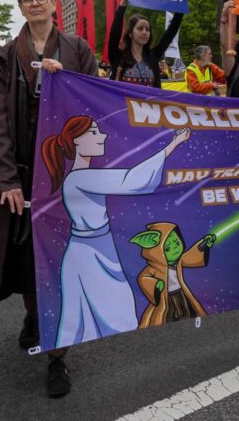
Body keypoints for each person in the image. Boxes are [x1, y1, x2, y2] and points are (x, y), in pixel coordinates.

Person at [0, 0, 98, 398]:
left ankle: (57, 357)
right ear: (21, 7)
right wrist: (5, 179)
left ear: (53, 3)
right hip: (25, 177)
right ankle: (35, 317)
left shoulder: (79, 50)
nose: (34, 4)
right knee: (32, 262)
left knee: (62, 263)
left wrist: (67, 80)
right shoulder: (5, 57)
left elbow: (94, 105)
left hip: (67, 176)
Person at [41, 118, 191, 348]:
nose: (102, 136)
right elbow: (130, 181)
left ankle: (60, 356)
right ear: (76, 142)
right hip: (89, 256)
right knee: (101, 312)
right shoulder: (80, 178)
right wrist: (173, 144)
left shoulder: (82, 177)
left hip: (97, 249)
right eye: (93, 132)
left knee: (84, 314)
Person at [107, 0, 187, 89]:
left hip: (149, 105)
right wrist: (124, 2)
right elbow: (115, 32)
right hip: (123, 105)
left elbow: (170, 33)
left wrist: (181, 6)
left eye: (147, 29)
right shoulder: (118, 56)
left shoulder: (153, 55)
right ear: (130, 33)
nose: (145, 32)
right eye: (140, 29)